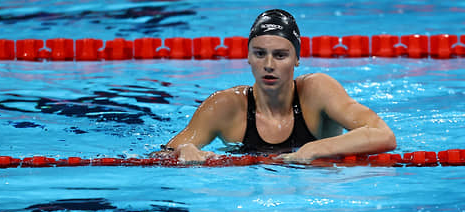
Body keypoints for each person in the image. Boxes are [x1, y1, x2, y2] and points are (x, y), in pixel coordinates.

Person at [159, 9, 396, 164]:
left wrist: (314, 149)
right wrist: (184, 152)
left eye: (280, 55)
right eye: (260, 54)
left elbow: (383, 135)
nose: (268, 65)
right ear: (248, 57)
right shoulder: (225, 106)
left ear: (297, 60)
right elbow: (161, 157)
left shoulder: (318, 91)